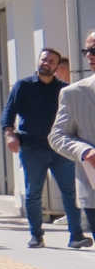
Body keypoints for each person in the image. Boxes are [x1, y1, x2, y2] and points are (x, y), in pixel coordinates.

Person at [3, 47, 88, 248]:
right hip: (32, 147)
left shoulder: (64, 90)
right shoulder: (23, 86)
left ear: (57, 66)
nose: (46, 63)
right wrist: (9, 134)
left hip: (60, 148)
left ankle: (76, 236)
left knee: (71, 192)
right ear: (39, 61)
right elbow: (9, 111)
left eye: (51, 61)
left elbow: (75, 117)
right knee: (33, 192)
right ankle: (36, 235)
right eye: (44, 59)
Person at [45, 30, 95, 220]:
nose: (90, 55)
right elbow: (57, 136)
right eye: (87, 51)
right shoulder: (74, 93)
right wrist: (85, 151)